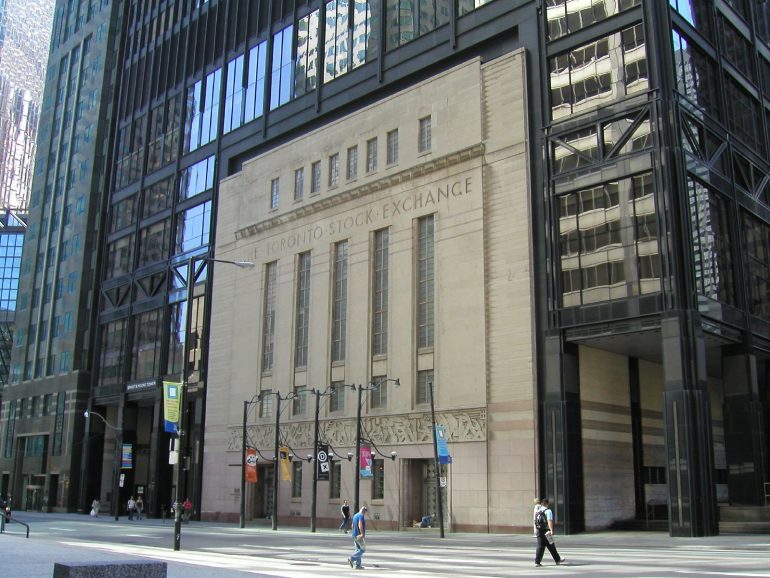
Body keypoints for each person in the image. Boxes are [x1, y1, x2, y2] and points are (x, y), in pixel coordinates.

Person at [534, 498, 565, 567]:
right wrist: (551, 530)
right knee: (551, 545)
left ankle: (537, 562)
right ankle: (558, 560)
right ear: (547, 504)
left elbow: (535, 521)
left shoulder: (538, 511)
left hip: (539, 530)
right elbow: (549, 520)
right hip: (546, 531)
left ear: (542, 504)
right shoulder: (548, 511)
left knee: (540, 546)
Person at [347, 505, 368, 570]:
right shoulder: (361, 516)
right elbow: (360, 524)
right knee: (363, 549)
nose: (364, 514)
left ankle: (358, 565)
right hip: (359, 536)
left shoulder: (355, 515)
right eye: (365, 512)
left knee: (358, 549)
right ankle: (352, 558)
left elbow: (352, 525)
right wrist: (362, 534)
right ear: (364, 511)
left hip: (354, 535)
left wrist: (354, 533)